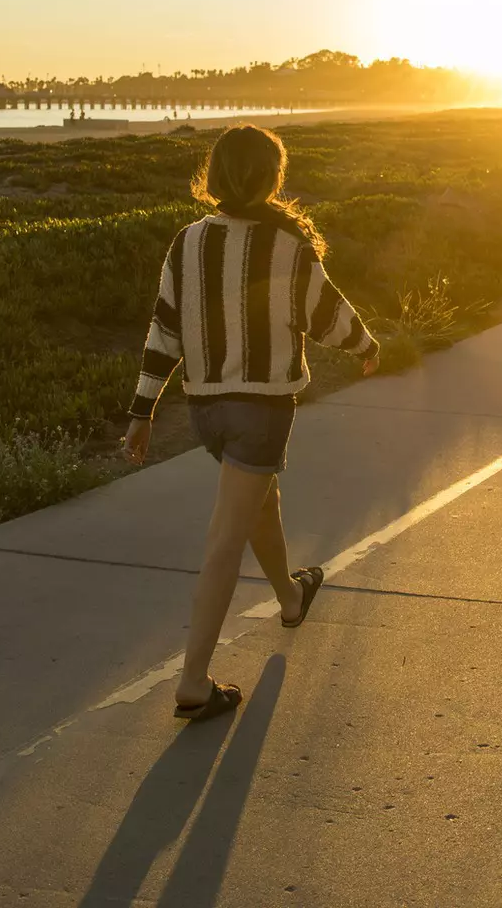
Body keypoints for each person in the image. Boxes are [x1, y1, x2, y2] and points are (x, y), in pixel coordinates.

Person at [123, 125, 380, 722]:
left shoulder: (186, 243)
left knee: (259, 501)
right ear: (272, 177)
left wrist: (142, 411)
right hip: (260, 410)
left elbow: (163, 331)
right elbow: (330, 316)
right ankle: (193, 682)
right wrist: (368, 347)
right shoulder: (287, 245)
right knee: (224, 541)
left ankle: (291, 596)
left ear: (212, 177)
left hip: (206, 412)